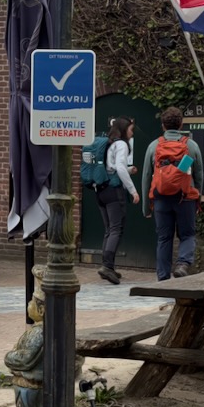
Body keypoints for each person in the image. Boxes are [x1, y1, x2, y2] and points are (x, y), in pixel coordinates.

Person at [143, 107, 200, 280]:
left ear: (163, 125)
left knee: (164, 238)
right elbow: (199, 175)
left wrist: (147, 207)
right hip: (185, 198)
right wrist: (198, 199)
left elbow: (146, 176)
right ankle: (183, 264)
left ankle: (162, 279)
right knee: (187, 234)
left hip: (161, 199)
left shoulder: (154, 146)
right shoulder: (190, 146)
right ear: (181, 124)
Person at [86, 117, 136, 285]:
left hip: (100, 190)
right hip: (114, 191)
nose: (132, 132)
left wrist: (129, 170)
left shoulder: (108, 143)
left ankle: (109, 266)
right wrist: (133, 191)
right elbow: (120, 168)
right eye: (130, 129)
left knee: (109, 229)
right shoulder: (121, 144)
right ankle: (107, 267)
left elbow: (111, 167)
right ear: (123, 129)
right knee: (116, 229)